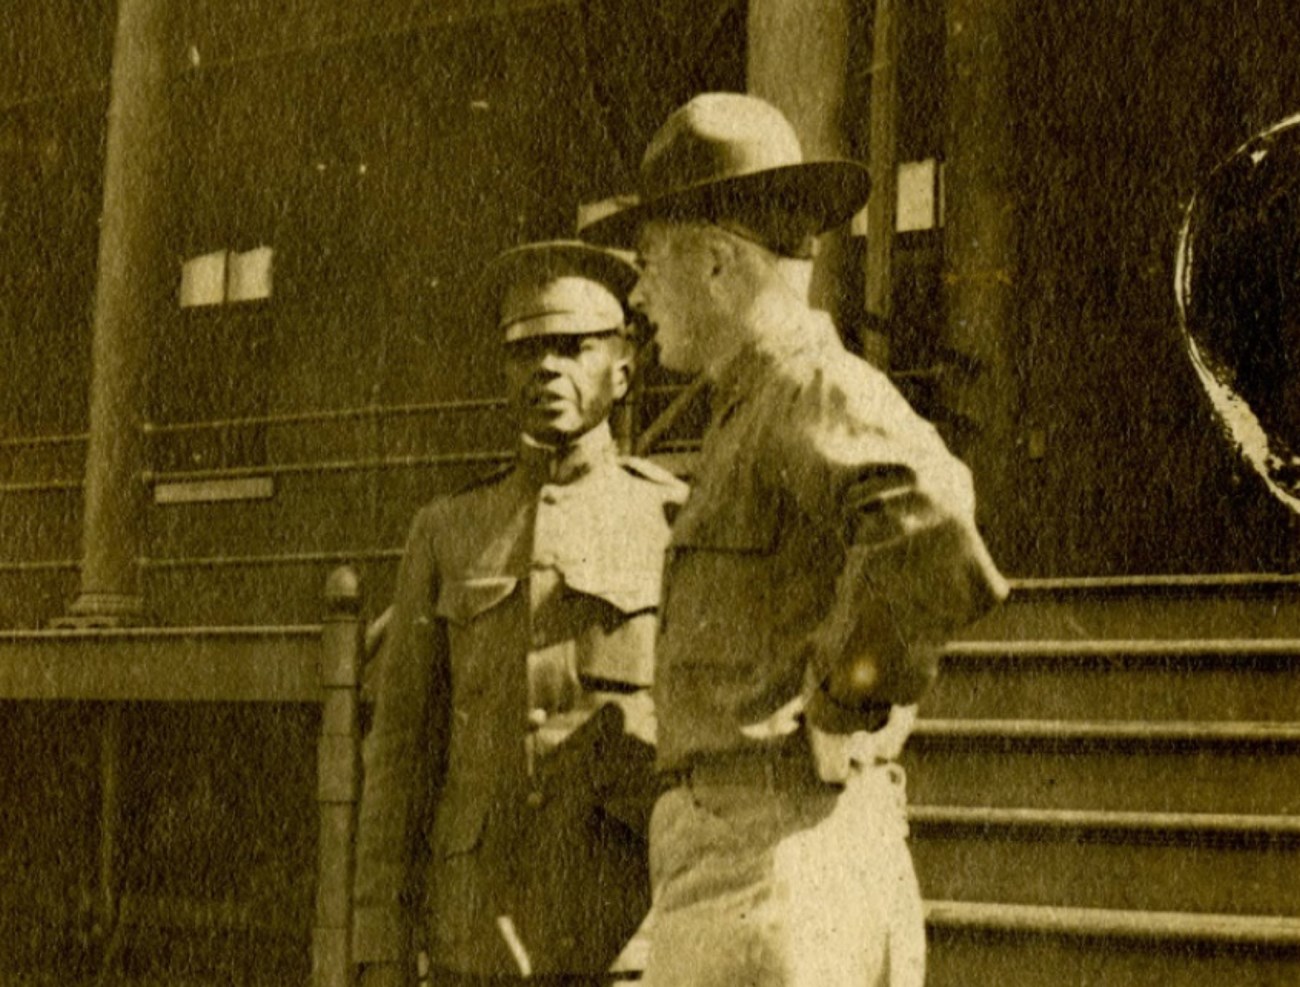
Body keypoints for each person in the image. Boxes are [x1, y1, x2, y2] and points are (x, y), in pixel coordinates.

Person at [582, 92, 1008, 987]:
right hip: (745, 858)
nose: (637, 291)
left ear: (715, 264)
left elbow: (930, 519)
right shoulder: (754, 405)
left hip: (783, 862)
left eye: (650, 258)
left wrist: (846, 698)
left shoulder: (806, 386)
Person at [352, 240, 688, 987]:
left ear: (625, 368)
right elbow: (402, 755)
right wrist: (380, 942)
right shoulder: (446, 530)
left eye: (573, 347)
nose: (546, 368)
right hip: (475, 929)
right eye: (525, 350)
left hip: (625, 921)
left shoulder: (673, 519)